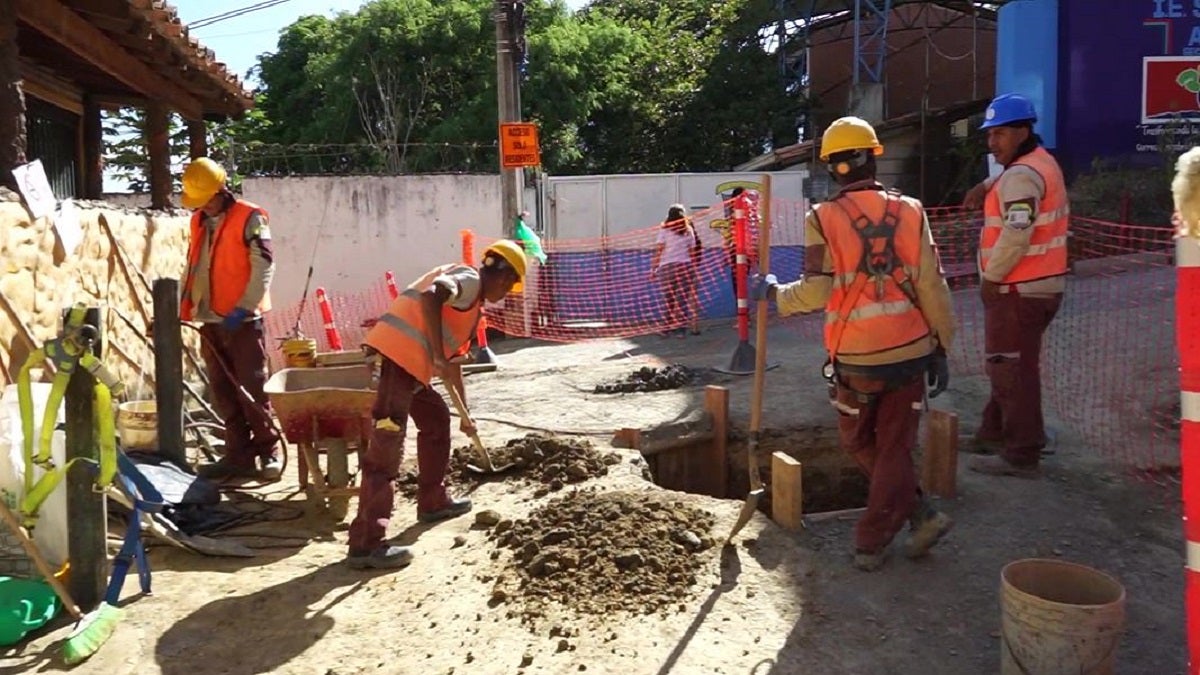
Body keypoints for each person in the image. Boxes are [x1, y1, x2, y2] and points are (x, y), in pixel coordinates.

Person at [750, 116, 956, 572]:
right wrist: (942, 344)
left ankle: (871, 541)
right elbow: (932, 284)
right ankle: (920, 511)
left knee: (858, 441)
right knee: (894, 448)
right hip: (909, 353)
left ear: (829, 167)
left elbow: (818, 290)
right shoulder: (912, 210)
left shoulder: (821, 218)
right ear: (873, 157)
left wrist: (773, 294)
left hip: (855, 358)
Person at [346, 240, 527, 569]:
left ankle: (432, 500)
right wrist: (435, 354)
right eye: (512, 285)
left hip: (409, 369)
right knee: (385, 452)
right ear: (504, 277)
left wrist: (465, 413)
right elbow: (432, 295)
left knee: (437, 419)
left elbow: (451, 365)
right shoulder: (469, 280)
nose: (509, 292)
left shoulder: (472, 305)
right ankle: (366, 543)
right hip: (396, 363)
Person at [961, 93, 1068, 479]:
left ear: (1023, 131)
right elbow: (1016, 180)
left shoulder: (1021, 175)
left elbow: (1017, 232)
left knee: (1010, 369)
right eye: (990, 135)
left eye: (1001, 134)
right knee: (1008, 364)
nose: (993, 143)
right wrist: (987, 183)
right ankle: (993, 433)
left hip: (1020, 288)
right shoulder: (1035, 163)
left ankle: (1022, 452)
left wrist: (992, 278)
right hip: (1036, 286)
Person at [179, 157, 282, 483]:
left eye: (206, 199)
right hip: (210, 320)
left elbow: (264, 264)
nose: (203, 206)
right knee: (222, 391)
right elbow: (193, 266)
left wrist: (245, 307)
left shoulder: (250, 217)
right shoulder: (198, 222)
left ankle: (269, 452)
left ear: (221, 190)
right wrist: (184, 308)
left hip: (242, 320)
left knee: (251, 389)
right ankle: (238, 455)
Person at [650, 204, 702, 337]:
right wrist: (695, 269)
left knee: (668, 299)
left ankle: (665, 328)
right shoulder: (688, 230)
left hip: (667, 267)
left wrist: (653, 269)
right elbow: (692, 252)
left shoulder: (664, 230)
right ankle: (681, 330)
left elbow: (659, 250)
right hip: (685, 266)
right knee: (682, 299)